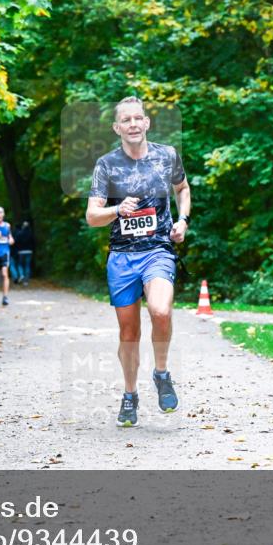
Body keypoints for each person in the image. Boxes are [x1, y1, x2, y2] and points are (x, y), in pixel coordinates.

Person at [84, 96, 191, 427]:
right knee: (128, 332)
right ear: (117, 128)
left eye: (138, 118)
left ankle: (161, 373)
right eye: (126, 120)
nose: (133, 124)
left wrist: (183, 220)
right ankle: (130, 395)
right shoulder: (106, 165)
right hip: (122, 257)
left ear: (147, 123)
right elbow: (92, 216)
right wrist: (118, 210)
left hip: (158, 249)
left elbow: (183, 189)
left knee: (160, 310)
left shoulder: (167, 156)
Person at [14, 220, 35, 285]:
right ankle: (26, 281)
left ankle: (21, 274)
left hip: (21, 252)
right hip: (29, 251)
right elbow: (34, 242)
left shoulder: (19, 234)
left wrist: (17, 250)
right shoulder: (31, 234)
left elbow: (16, 242)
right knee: (27, 265)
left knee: (20, 265)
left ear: (23, 226)